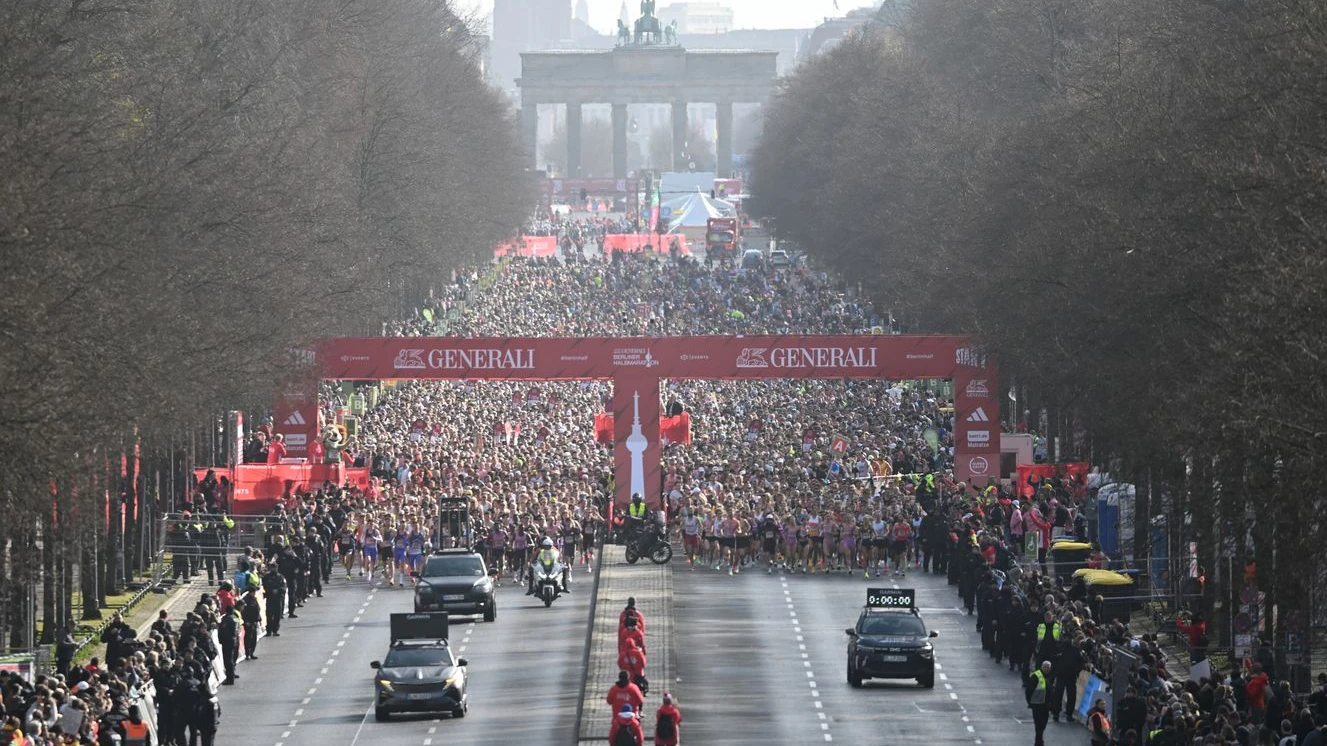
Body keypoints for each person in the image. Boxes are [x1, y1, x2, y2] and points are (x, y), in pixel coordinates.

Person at [1025, 661, 1052, 746]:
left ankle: (1039, 740)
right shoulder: (1035, 676)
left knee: (1043, 724)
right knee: (1039, 725)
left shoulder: (1048, 677)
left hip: (1045, 706)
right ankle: (1039, 742)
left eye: (1048, 668)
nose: (1047, 669)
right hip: (1037, 706)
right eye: (1045, 667)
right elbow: (1028, 691)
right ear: (1042, 667)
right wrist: (1030, 702)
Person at [262, 564, 286, 636]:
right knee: (269, 615)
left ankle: (275, 630)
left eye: (275, 568)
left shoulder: (280, 577)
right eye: (272, 568)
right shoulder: (266, 577)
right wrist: (270, 591)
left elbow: (284, 586)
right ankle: (268, 630)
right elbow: (264, 586)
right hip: (270, 598)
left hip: (278, 598)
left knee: (277, 615)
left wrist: (278, 590)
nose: (274, 569)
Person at [240, 589, 262, 659]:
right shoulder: (245, 600)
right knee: (248, 638)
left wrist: (259, 619)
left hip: (254, 621)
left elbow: (257, 609)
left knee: (254, 638)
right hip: (248, 622)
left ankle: (251, 652)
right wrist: (246, 621)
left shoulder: (254, 599)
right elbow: (243, 612)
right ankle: (248, 653)